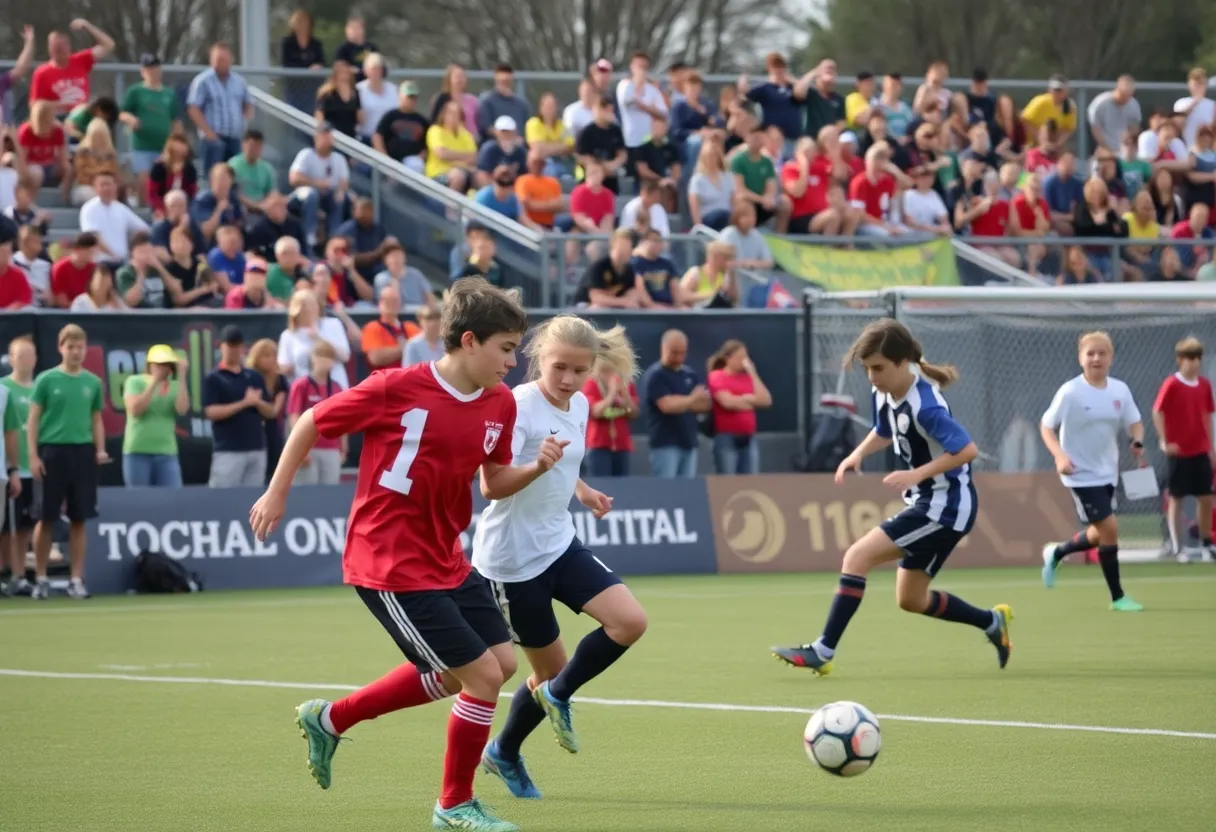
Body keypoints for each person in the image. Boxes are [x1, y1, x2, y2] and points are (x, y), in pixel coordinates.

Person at [250, 277, 532, 832]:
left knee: (500, 665)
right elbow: (311, 421)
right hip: (389, 560)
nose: (512, 362)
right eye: (505, 349)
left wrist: (539, 468)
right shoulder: (394, 386)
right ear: (469, 341)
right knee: (479, 676)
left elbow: (493, 479)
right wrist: (277, 491)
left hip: (446, 556)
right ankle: (453, 806)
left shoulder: (499, 402)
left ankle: (331, 720)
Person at [772, 318, 1012, 673]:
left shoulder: (926, 406)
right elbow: (884, 429)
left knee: (857, 556)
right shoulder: (884, 390)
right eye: (867, 368)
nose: (872, 376)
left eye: (879, 368)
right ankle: (991, 622)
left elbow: (967, 450)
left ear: (903, 362)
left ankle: (823, 651)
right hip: (930, 504)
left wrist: (917, 474)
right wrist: (857, 454)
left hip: (945, 507)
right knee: (911, 599)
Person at [475, 316, 648, 798]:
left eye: (579, 370)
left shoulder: (582, 404)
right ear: (539, 359)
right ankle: (504, 751)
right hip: (512, 562)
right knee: (548, 672)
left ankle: (554, 697)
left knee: (629, 622)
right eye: (559, 368)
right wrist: (538, 466)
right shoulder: (516, 405)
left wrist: (582, 489)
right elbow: (491, 485)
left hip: (558, 542)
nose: (569, 379)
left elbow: (561, 462)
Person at [1039, 331, 1147, 611]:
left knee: (1100, 532)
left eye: (1102, 353)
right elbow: (1046, 426)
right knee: (1110, 527)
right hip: (1078, 473)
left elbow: (1135, 422)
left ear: (1111, 358)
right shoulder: (1070, 391)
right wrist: (1060, 456)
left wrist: (1137, 440)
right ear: (1080, 358)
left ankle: (1057, 552)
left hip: (1107, 472)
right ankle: (1118, 597)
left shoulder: (1120, 390)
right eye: (1090, 353)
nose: (1096, 358)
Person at [28, 324, 107, 600]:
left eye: (80, 347)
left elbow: (96, 419)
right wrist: (33, 456)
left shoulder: (92, 382)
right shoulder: (46, 380)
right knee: (46, 517)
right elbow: (33, 420)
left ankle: (76, 579)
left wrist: (100, 449)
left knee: (79, 518)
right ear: (60, 348)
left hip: (82, 453)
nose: (75, 352)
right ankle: (40, 578)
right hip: (52, 451)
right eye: (70, 347)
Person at [1152, 337, 1215, 562]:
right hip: (1179, 453)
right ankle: (1178, 547)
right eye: (1189, 357)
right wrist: (1164, 441)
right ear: (1180, 360)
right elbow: (1157, 411)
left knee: (1206, 497)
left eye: (1197, 357)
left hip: (1200, 450)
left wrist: (1211, 448)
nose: (1194, 362)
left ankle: (1207, 543)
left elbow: (1208, 416)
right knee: (1176, 498)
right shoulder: (1172, 384)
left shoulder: (1204, 385)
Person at [203, 326, 277, 488]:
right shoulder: (214, 378)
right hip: (228, 450)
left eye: (237, 345)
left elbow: (271, 411)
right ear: (222, 346)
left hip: (256, 448)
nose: (234, 350)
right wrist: (244, 403)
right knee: (223, 498)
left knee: (253, 497)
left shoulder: (254, 376)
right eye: (230, 345)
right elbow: (210, 412)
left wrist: (257, 402)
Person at [640, 329, 710, 478]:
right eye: (674, 352)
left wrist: (681, 403)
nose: (678, 357)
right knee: (667, 487)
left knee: (687, 487)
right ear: (664, 348)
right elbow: (667, 406)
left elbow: (704, 404)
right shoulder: (656, 375)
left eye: (682, 353)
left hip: (688, 441)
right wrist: (691, 399)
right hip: (665, 443)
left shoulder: (689, 374)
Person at [121, 344, 189, 487]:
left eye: (166, 364)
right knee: (139, 498)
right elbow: (135, 410)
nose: (163, 368)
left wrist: (182, 377)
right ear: (150, 365)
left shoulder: (175, 386)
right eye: (159, 364)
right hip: (138, 451)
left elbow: (182, 410)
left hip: (166, 452)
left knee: (172, 497)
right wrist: (154, 381)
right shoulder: (135, 381)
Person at [1, 337, 37, 597]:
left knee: (24, 525)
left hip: (30, 468)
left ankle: (19, 573)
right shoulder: (4, 387)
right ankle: (5, 572)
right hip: (8, 470)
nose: (26, 360)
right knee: (5, 527)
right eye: (21, 355)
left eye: (30, 355)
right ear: (11, 359)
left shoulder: (39, 389)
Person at [706, 339, 772, 475]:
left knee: (750, 477)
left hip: (748, 437)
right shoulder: (717, 376)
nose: (744, 362)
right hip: (727, 436)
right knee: (728, 478)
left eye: (745, 357)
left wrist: (753, 373)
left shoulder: (747, 378)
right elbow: (727, 402)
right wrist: (750, 401)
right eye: (740, 358)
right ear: (728, 358)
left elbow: (766, 400)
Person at [286, 341, 347, 485]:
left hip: (331, 448)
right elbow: (294, 417)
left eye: (328, 357)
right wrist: (301, 448)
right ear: (312, 358)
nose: (324, 361)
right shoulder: (301, 385)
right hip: (309, 446)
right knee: (307, 491)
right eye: (320, 356)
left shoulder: (337, 387)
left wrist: (343, 448)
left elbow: (342, 420)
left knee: (330, 491)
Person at [582, 356, 639, 477]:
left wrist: (624, 395)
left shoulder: (626, 383)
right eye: (607, 372)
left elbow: (634, 412)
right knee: (600, 484)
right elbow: (595, 412)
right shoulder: (591, 383)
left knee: (622, 484)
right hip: (598, 445)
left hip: (622, 445)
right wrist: (611, 394)